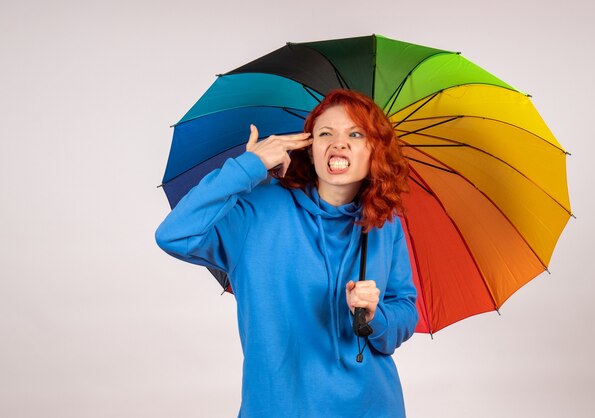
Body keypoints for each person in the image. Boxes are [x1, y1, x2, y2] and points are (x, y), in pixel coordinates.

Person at [155, 89, 418, 417]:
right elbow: (174, 235)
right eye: (326, 133)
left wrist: (373, 315)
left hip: (372, 405)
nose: (339, 143)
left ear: (374, 150)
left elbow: (405, 312)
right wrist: (248, 168)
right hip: (277, 407)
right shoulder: (258, 210)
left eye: (355, 133)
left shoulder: (383, 222)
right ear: (309, 147)